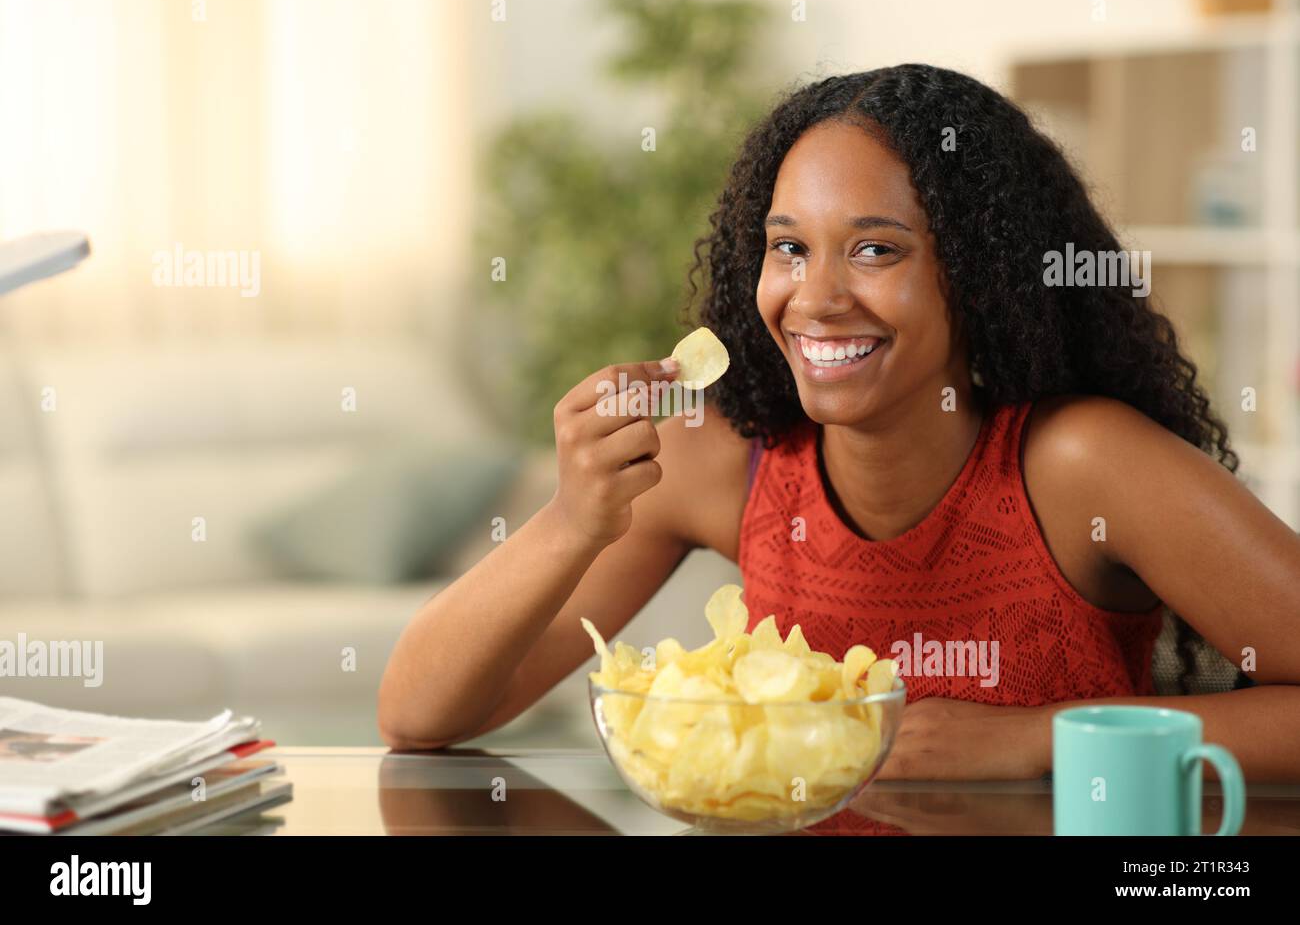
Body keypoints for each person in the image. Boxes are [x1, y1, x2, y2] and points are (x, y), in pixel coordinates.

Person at [379, 64, 1300, 792]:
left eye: (875, 249)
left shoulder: (1083, 465)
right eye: (789, 247)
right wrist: (571, 519)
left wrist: (1031, 741)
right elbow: (419, 715)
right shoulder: (719, 460)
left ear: (980, 277)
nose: (814, 299)